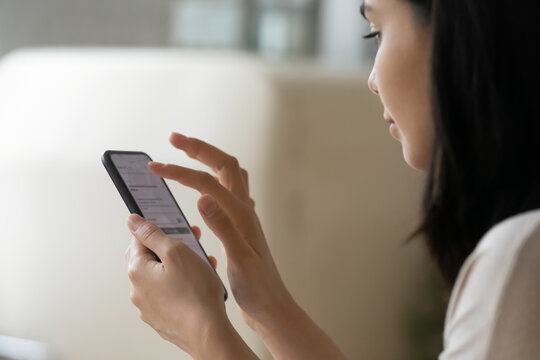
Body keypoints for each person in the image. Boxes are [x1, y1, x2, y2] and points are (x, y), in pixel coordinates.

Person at [123, 0, 540, 358]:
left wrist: (204, 332)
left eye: (375, 31)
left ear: (460, 32)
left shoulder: (520, 258)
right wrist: (267, 304)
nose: (372, 80)